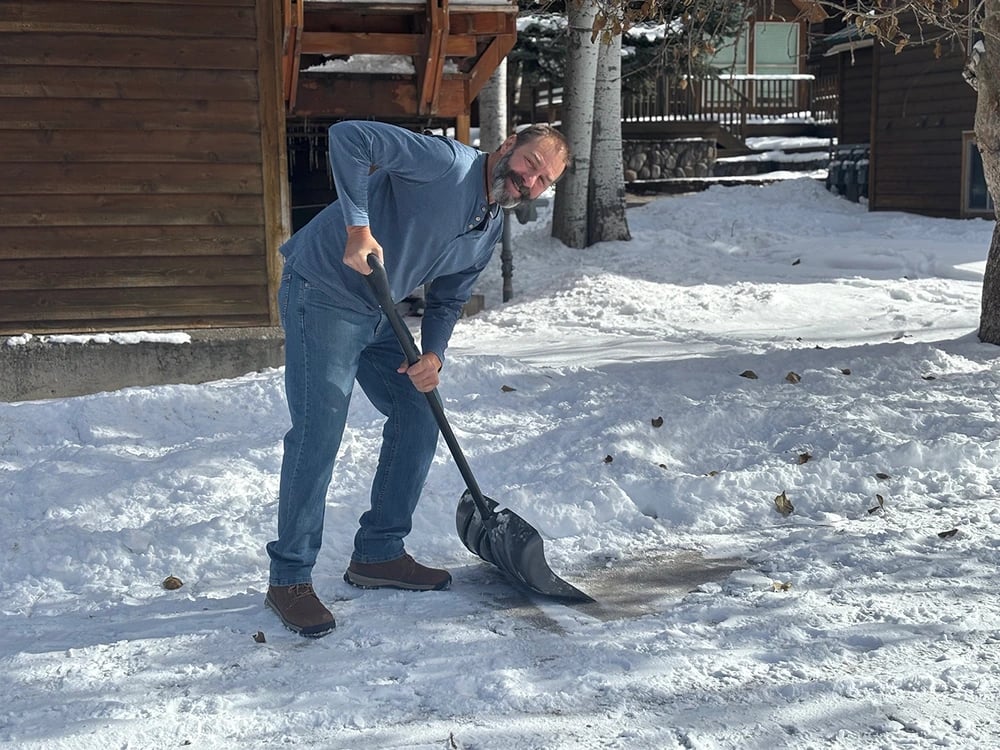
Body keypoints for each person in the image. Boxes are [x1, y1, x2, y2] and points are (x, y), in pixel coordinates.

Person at [265, 120, 571, 637]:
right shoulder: (445, 164)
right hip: (323, 291)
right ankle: (289, 579)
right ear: (507, 147)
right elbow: (348, 137)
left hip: (378, 309)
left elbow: (450, 296)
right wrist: (356, 227)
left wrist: (433, 354)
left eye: (545, 182)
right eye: (530, 166)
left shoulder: (490, 223)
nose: (531, 183)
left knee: (418, 409)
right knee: (319, 430)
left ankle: (379, 553)